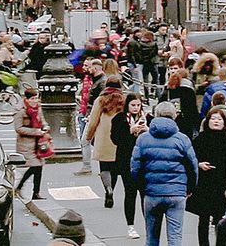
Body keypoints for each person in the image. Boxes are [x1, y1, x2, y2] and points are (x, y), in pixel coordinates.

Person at [131, 101, 198, 246]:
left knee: (151, 238)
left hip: (152, 192)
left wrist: (142, 187)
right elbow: (192, 166)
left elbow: (135, 168)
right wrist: (189, 188)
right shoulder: (182, 139)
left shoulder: (143, 138)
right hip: (176, 191)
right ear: (174, 116)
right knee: (175, 237)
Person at [188, 108, 226, 246]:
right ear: (207, 121)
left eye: (219, 119)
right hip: (204, 183)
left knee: (219, 217)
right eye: (213, 119)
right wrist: (199, 164)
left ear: (224, 122)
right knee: (203, 218)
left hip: (219, 183)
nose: (216, 121)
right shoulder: (200, 138)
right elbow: (191, 159)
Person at [111, 93, 149, 240]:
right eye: (133, 105)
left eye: (138, 105)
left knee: (145, 195)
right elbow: (115, 139)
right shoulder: (119, 119)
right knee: (130, 192)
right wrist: (130, 130)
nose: (136, 108)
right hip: (126, 161)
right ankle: (130, 226)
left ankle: (148, 224)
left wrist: (147, 130)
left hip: (144, 162)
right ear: (127, 105)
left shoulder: (147, 118)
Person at [85, 75, 125, 208]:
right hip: (119, 133)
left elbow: (93, 121)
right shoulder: (124, 99)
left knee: (104, 166)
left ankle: (108, 189)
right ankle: (111, 188)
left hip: (104, 134)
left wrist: (89, 136)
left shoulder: (101, 99)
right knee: (114, 166)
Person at [15, 87, 50, 200]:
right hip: (26, 144)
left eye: (36, 98)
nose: (35, 101)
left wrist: (45, 126)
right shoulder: (20, 111)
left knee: (38, 168)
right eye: (33, 98)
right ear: (27, 99)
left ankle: (33, 192)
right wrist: (35, 132)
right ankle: (23, 189)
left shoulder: (38, 109)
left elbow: (42, 120)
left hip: (38, 143)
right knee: (36, 166)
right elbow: (18, 128)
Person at [158, 71, 199, 137]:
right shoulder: (189, 91)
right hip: (186, 123)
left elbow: (160, 107)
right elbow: (194, 111)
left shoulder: (167, 91)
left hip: (169, 122)